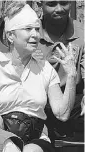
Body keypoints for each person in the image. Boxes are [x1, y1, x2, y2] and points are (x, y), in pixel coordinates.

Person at [0, 1, 77, 152]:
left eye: (36, 29)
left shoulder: (45, 69)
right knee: (10, 148)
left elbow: (63, 113)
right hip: (0, 135)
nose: (35, 34)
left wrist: (71, 75)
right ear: (10, 35)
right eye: (28, 29)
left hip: (35, 137)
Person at [34, 0, 84, 141]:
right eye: (52, 4)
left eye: (64, 3)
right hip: (37, 100)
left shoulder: (82, 34)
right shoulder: (31, 32)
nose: (59, 8)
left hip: (73, 99)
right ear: (39, 4)